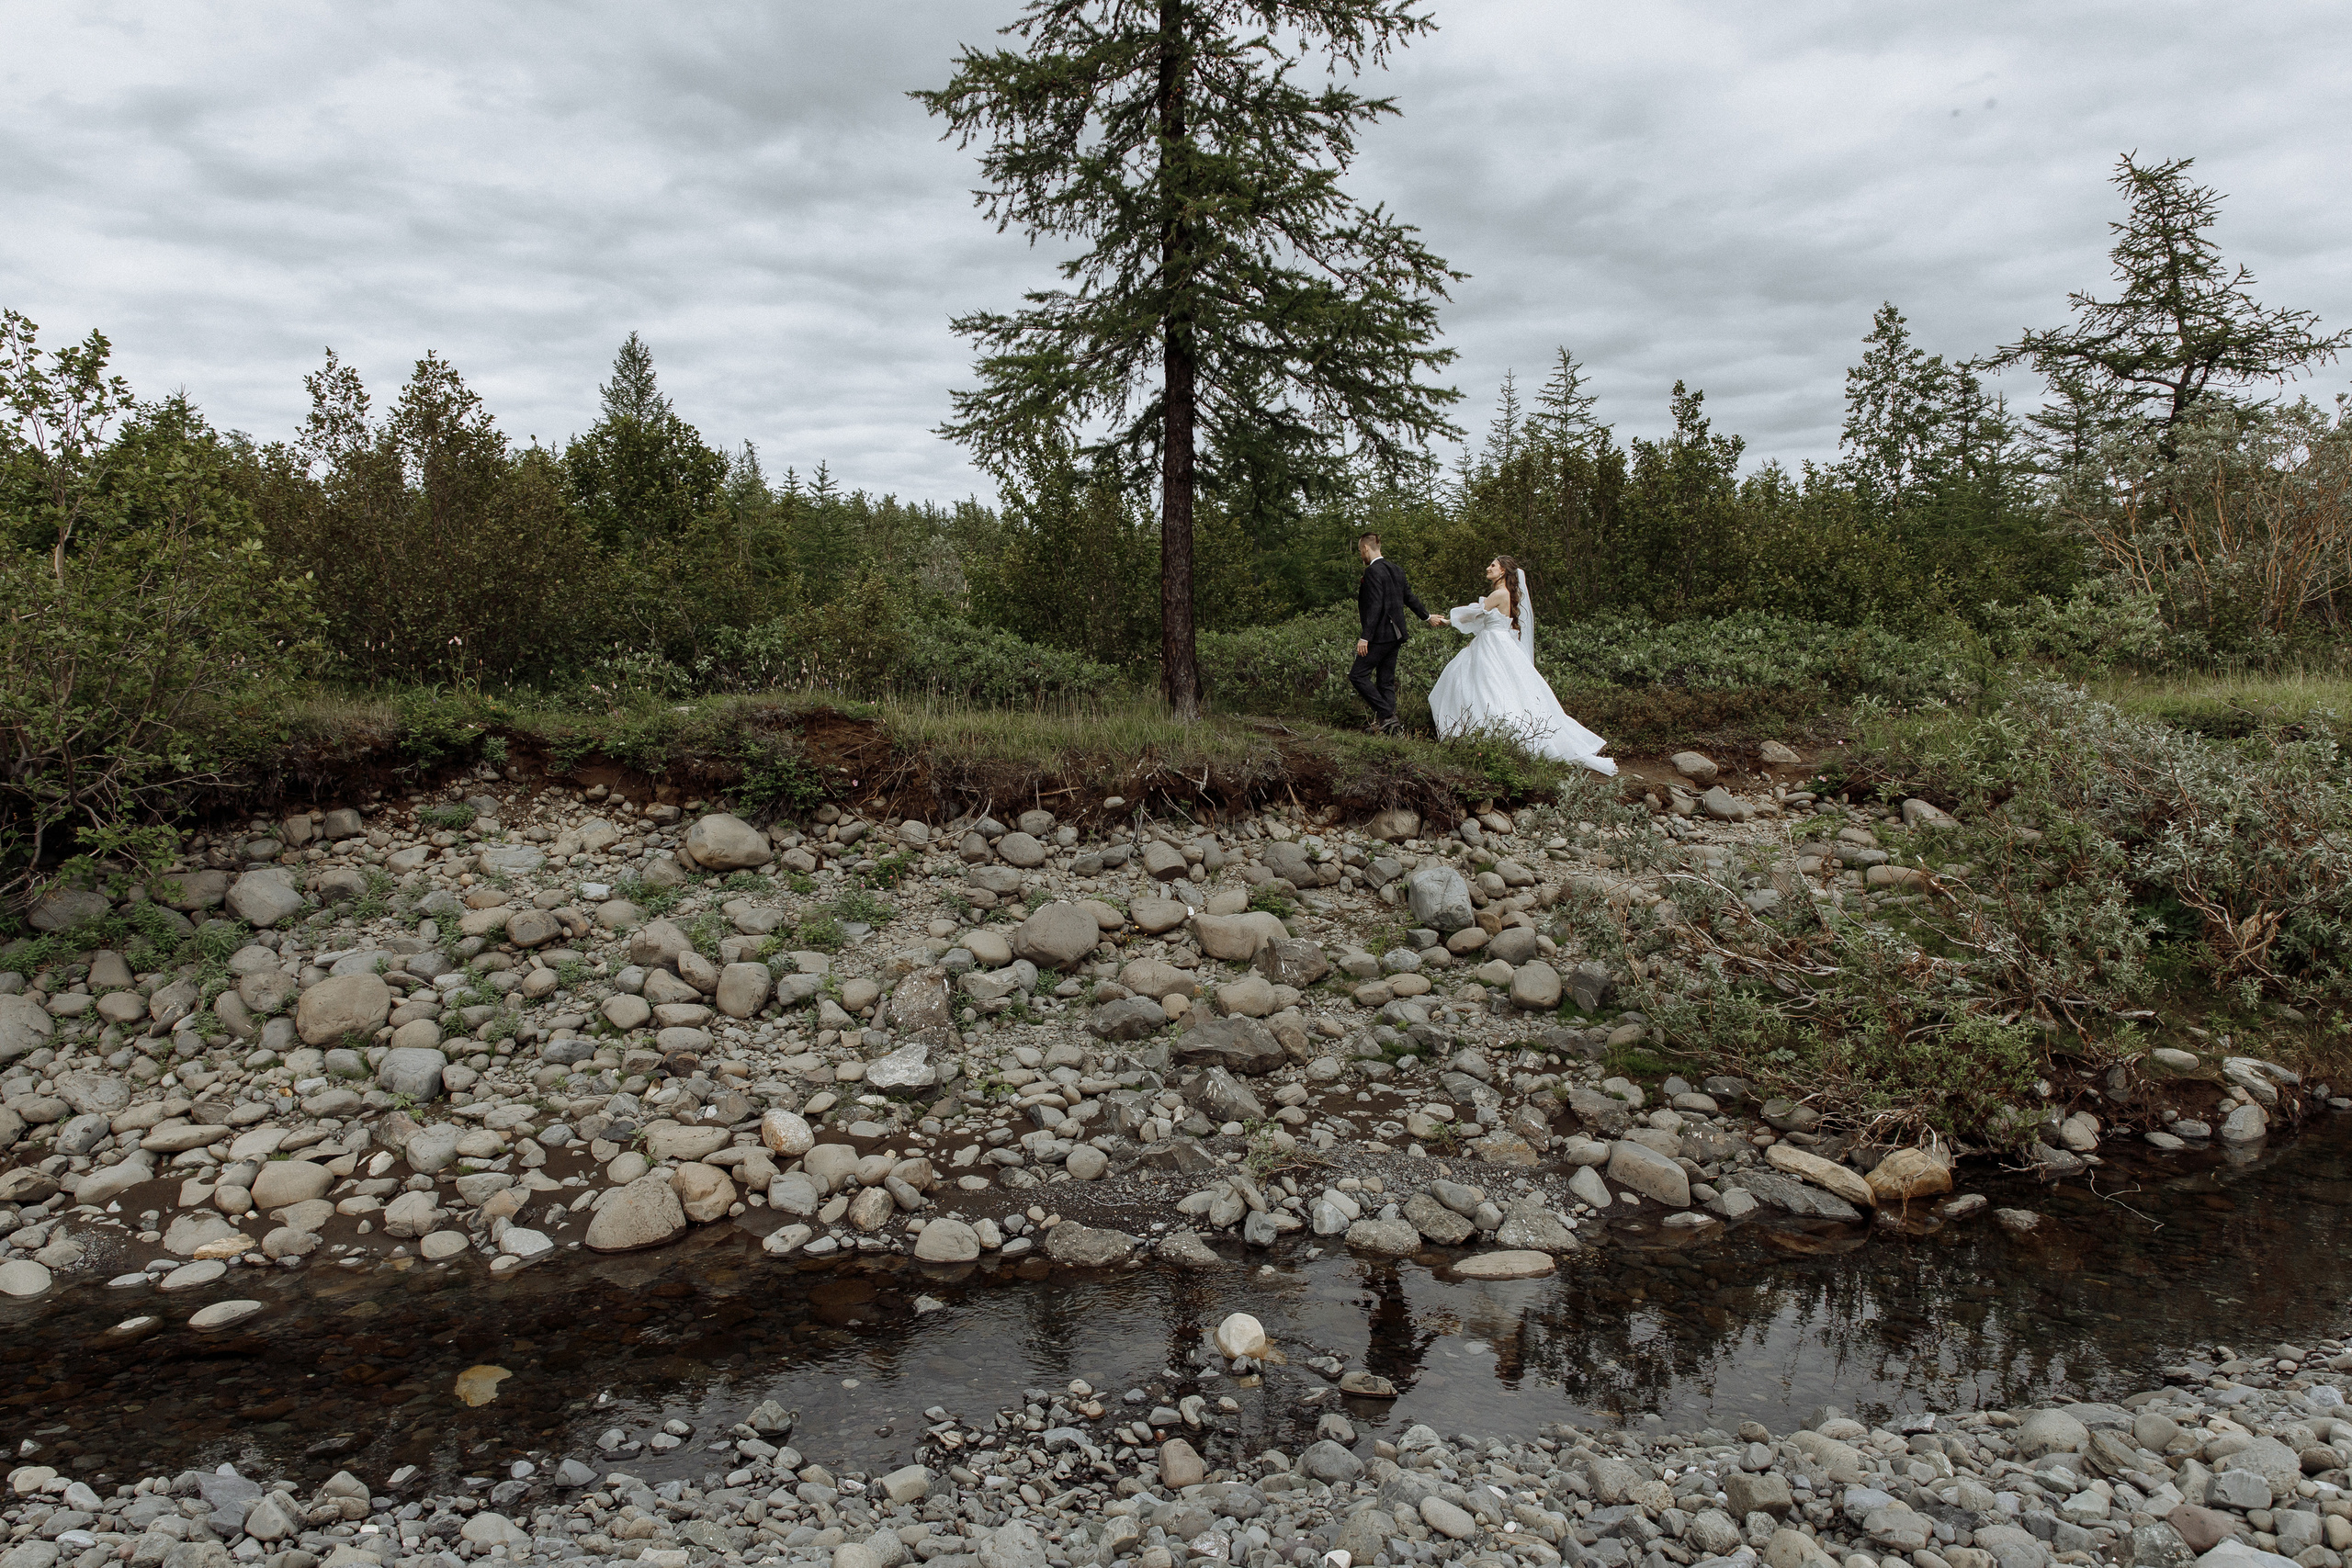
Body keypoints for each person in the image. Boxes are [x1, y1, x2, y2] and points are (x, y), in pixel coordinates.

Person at [1427, 555, 1618, 775]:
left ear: (1503, 572)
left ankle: (1486, 735)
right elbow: (1484, 620)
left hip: (1492, 644)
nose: (1488, 568)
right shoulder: (1507, 594)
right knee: (1490, 686)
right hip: (1497, 641)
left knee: (1483, 686)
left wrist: (1446, 621)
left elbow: (1473, 614)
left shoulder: (1499, 594)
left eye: (1493, 565)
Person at [1350, 532, 1432, 734]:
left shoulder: (1372, 572)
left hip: (1379, 636)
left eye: (1361, 550)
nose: (1361, 554)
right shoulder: (1397, 570)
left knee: (1357, 676)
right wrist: (1427, 617)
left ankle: (1387, 715)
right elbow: (1410, 598)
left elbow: (1376, 605)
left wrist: (1365, 637)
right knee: (1385, 681)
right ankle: (1392, 731)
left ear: (1366, 548)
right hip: (1396, 636)